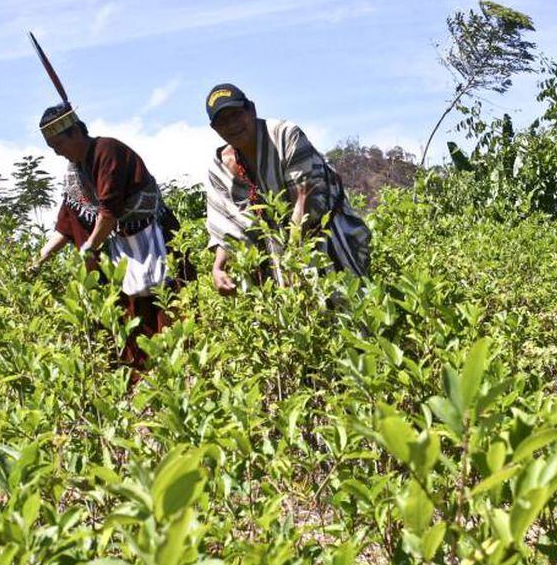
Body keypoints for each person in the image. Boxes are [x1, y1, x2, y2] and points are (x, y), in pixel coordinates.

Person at [30, 103, 183, 365]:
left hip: (155, 242)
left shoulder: (107, 150)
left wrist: (90, 247)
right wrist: (40, 258)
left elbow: (108, 212)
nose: (57, 153)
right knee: (134, 331)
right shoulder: (75, 171)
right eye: (52, 148)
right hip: (124, 253)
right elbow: (68, 222)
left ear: (76, 133)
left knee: (169, 318)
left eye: (59, 145)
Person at [202, 83, 370, 295]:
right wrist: (218, 268)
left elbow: (304, 197)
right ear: (214, 129)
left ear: (251, 109)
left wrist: (293, 259)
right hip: (278, 251)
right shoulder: (219, 169)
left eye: (236, 114)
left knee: (347, 306)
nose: (232, 125)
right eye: (223, 121)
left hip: (325, 236)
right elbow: (227, 227)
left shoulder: (285, 136)